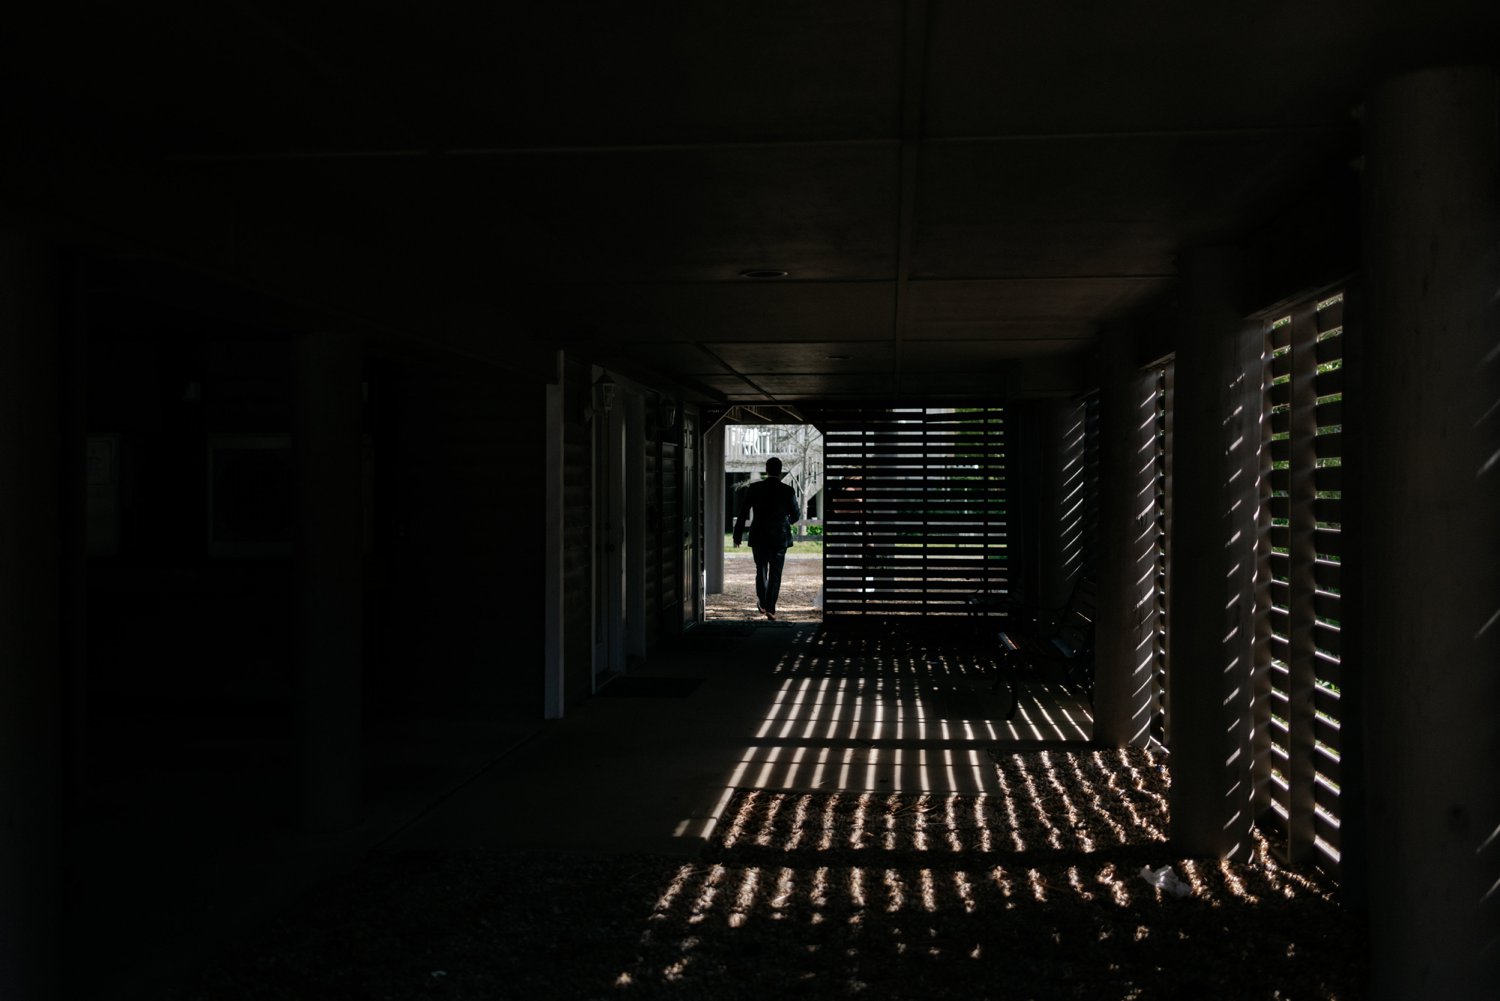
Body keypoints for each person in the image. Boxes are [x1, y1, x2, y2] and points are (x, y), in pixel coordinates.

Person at [733, 456, 800, 619]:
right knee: (776, 574)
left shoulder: (755, 488)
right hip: (779, 537)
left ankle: (762, 603)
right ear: (780, 470)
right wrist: (786, 522)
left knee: (761, 570)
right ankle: (770, 607)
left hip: (759, 536)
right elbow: (796, 515)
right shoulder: (787, 490)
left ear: (766, 469)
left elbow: (743, 513)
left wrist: (737, 535)